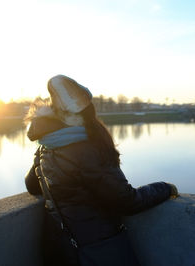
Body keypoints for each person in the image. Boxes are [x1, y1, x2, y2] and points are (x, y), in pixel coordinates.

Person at [24, 74, 178, 266]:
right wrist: (164, 188)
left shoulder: (46, 147)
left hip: (61, 250)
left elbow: (32, 186)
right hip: (100, 249)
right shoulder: (86, 150)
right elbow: (127, 202)